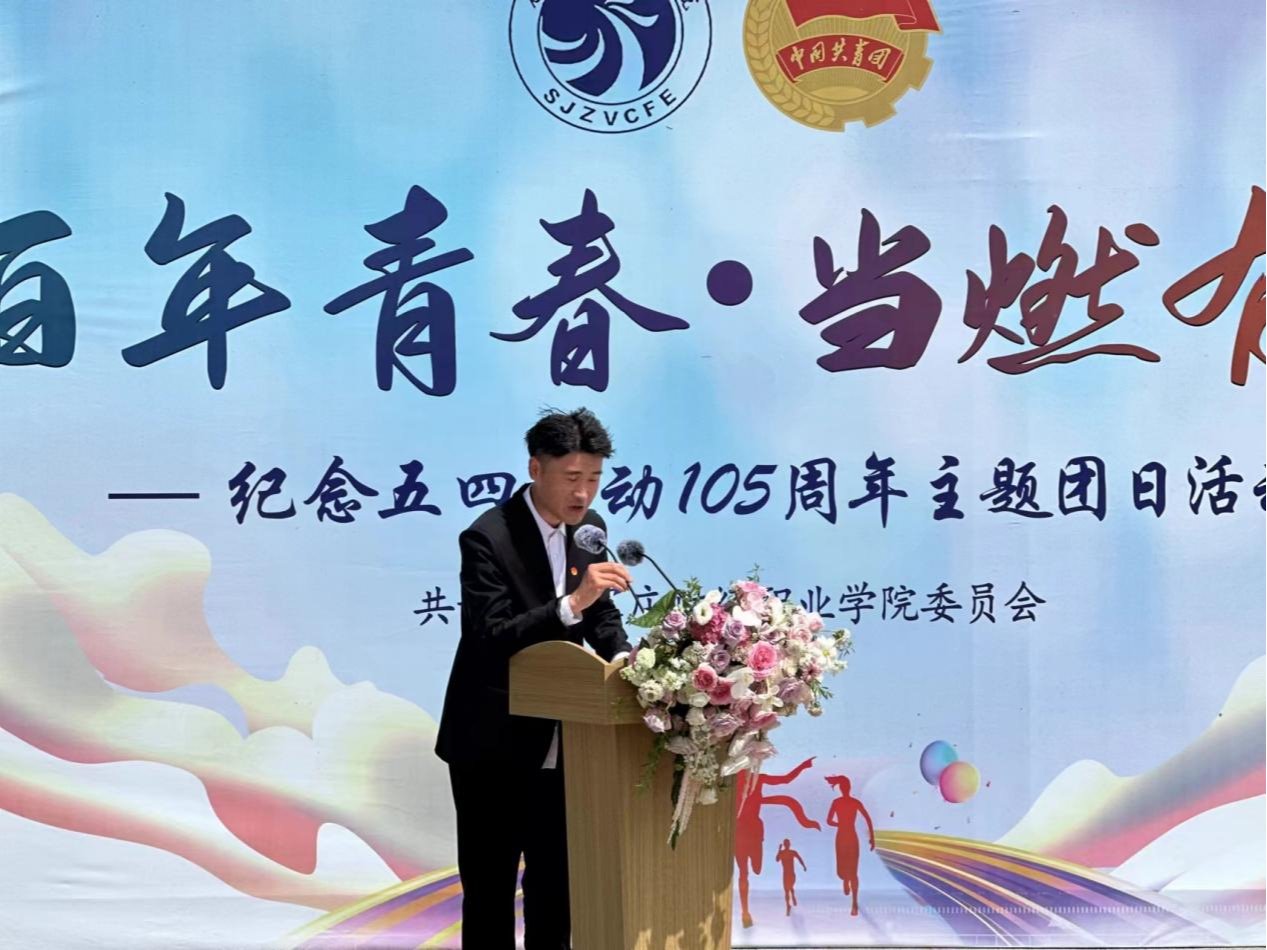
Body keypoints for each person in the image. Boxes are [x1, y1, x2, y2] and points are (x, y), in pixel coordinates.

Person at [435, 408, 632, 950]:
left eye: (594, 478)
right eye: (572, 478)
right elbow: (491, 635)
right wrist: (572, 603)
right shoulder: (488, 537)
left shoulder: (590, 530)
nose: (583, 493)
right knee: (490, 890)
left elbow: (601, 614)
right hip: (491, 742)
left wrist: (625, 659)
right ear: (535, 468)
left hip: (565, 738)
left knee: (556, 886)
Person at [825, 774, 875, 917]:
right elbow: (828, 820)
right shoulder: (840, 802)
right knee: (842, 872)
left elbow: (867, 818)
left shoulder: (850, 802)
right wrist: (840, 824)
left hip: (848, 837)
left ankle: (854, 903)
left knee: (852, 871)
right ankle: (846, 879)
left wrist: (872, 838)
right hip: (845, 837)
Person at [775, 839, 807, 916]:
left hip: (791, 874)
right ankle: (788, 906)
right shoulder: (782, 853)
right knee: (786, 891)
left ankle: (792, 895)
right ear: (784, 845)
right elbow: (777, 860)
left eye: (788, 844)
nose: (787, 845)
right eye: (786, 844)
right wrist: (779, 850)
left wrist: (804, 866)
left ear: (789, 844)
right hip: (785, 874)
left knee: (789, 887)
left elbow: (799, 859)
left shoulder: (793, 852)